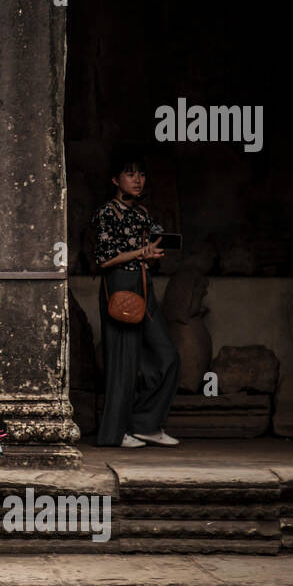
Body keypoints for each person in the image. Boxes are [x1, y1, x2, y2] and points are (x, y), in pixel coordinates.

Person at [91, 150, 181, 449]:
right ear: (116, 180)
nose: (138, 180)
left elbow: (151, 252)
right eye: (130, 174)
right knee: (123, 364)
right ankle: (115, 434)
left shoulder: (143, 215)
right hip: (119, 287)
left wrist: (151, 256)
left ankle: (146, 424)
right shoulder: (106, 213)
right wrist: (138, 254)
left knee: (167, 356)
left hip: (144, 284)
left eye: (141, 174)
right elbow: (103, 259)